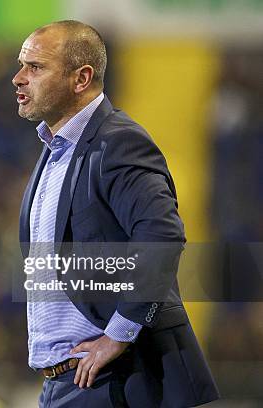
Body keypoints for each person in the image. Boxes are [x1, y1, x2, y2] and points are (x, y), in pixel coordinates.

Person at [13, 20, 219, 407]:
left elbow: (161, 236)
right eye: (22, 65)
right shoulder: (55, 148)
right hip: (67, 381)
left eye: (35, 67)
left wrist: (120, 333)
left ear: (81, 78)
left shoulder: (118, 142)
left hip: (119, 380)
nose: (18, 78)